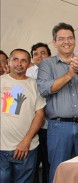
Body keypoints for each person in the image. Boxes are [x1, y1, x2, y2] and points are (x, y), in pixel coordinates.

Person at [37, 22, 78, 183]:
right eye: (61, 38)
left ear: (75, 40)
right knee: (59, 170)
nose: (66, 41)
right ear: (54, 42)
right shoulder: (47, 63)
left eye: (70, 38)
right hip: (59, 127)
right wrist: (70, 74)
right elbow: (45, 89)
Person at [0, 48, 46, 183]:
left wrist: (26, 141)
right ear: (9, 61)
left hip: (27, 148)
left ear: (28, 63)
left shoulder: (33, 84)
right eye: (15, 59)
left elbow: (40, 115)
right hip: (1, 149)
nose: (19, 63)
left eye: (23, 60)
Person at [26, 42, 51, 183]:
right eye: (36, 53)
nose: (39, 56)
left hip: (50, 125)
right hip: (32, 126)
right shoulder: (28, 73)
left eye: (43, 53)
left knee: (49, 162)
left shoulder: (55, 71)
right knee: (33, 164)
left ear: (49, 55)